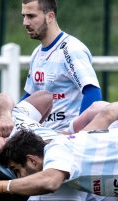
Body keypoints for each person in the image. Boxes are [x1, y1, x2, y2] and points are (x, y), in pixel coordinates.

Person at [21, 0, 101, 131]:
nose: (25, 22)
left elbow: (93, 93)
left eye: (31, 16)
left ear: (50, 17)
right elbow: (29, 97)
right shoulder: (37, 53)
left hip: (66, 141)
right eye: (23, 16)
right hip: (45, 137)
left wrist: (76, 135)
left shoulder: (71, 49)